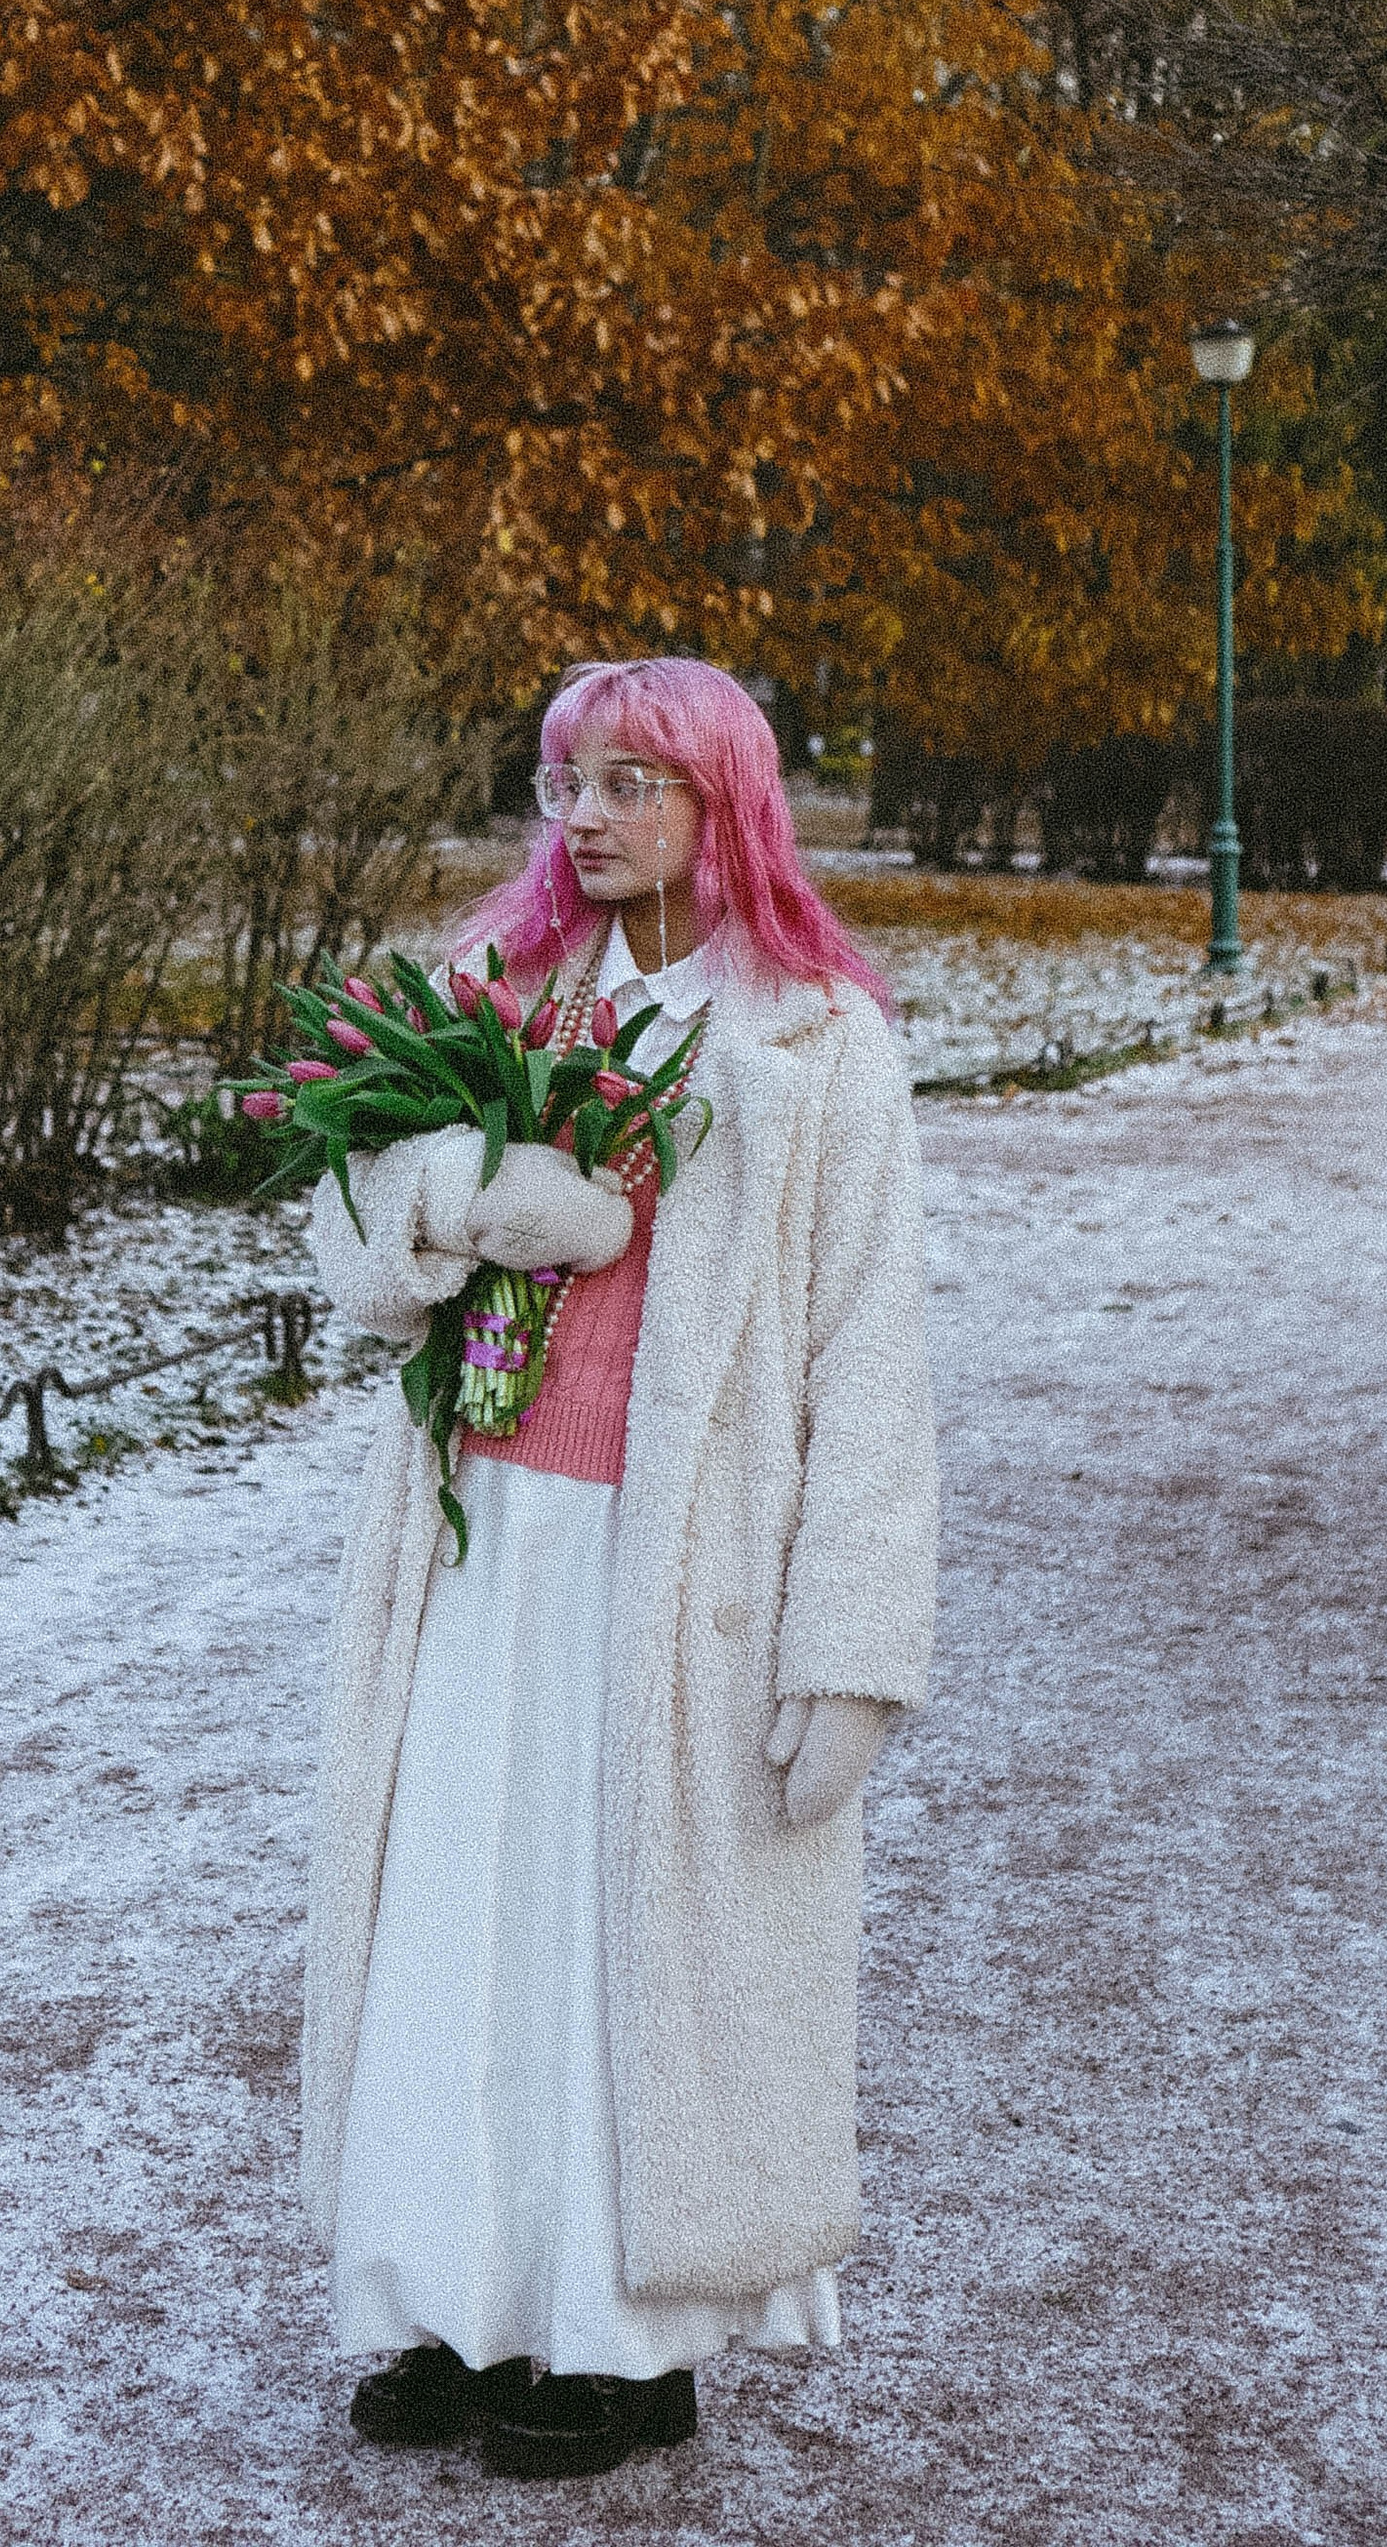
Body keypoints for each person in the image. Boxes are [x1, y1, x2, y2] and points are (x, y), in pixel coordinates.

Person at [300, 657, 938, 2486]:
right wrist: (466, 1198)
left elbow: (865, 1367)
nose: (588, 817)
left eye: (633, 783)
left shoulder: (818, 1044)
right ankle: (443, 2295)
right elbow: (349, 1231)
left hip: (686, 1580)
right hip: (478, 1544)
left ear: (722, 800)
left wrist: (855, 1652)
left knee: (617, 1945)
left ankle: (612, 2339)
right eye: (569, 780)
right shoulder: (490, 994)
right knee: (459, 1920)